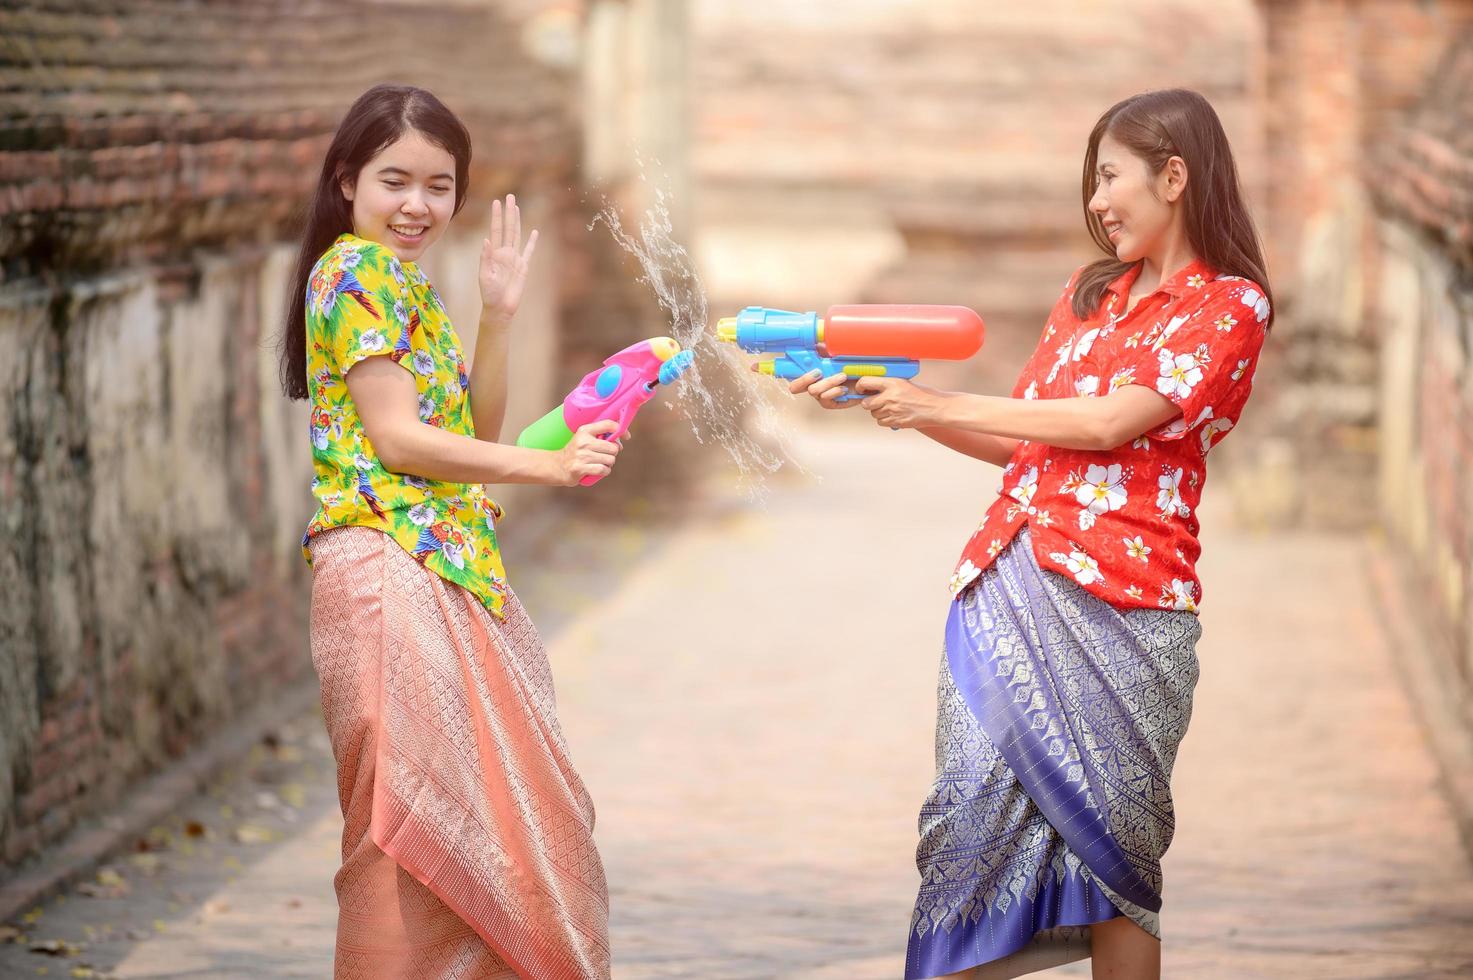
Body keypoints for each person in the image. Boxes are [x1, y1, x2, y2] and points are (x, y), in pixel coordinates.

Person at [788, 88, 1273, 979]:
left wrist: (938, 394)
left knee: (1120, 860)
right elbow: (1024, 442)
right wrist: (892, 402)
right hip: (1008, 583)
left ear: (1174, 177)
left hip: (1128, 604)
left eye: (1110, 176)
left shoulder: (1229, 307)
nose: (1095, 201)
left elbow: (1106, 424)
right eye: (1091, 181)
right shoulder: (1089, 296)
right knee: (960, 822)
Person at [278, 84, 618, 979]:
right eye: (396, 181)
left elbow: (472, 434)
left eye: (439, 185)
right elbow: (398, 441)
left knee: (494, 819)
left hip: (442, 568)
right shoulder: (352, 273)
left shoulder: (402, 281)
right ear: (348, 180)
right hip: (386, 571)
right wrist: (550, 469)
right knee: (405, 832)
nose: (418, 205)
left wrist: (497, 315)